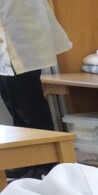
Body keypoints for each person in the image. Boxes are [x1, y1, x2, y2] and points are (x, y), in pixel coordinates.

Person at [0, 0, 70, 135]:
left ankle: (46, 147)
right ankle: (36, 146)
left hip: (17, 46)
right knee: (18, 110)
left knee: (29, 111)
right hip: (11, 49)